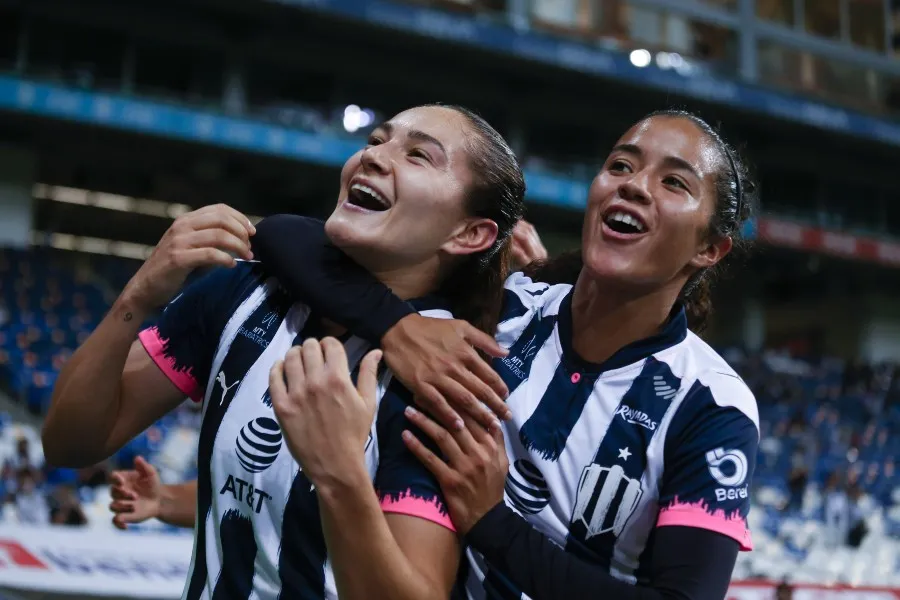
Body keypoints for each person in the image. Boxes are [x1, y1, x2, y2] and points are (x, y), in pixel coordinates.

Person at [245, 109, 761, 599]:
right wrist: (397, 325)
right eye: (620, 166)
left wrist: (493, 523)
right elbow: (285, 236)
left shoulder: (712, 404)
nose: (634, 185)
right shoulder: (504, 310)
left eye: (674, 182)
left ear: (709, 249)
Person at [42, 103, 529, 600]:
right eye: (376, 141)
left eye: (419, 155)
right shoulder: (242, 291)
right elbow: (69, 444)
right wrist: (137, 296)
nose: (374, 156)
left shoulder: (444, 383)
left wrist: (340, 474)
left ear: (469, 234)